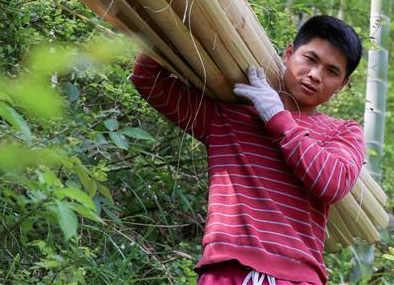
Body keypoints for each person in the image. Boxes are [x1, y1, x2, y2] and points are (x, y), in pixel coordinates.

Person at [130, 15, 365, 285]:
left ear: (342, 84)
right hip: (225, 270)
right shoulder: (227, 116)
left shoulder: (342, 131)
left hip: (296, 277)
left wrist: (277, 118)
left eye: (331, 71)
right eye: (310, 59)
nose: (315, 75)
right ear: (289, 53)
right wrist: (174, 22)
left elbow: (332, 183)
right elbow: (147, 79)